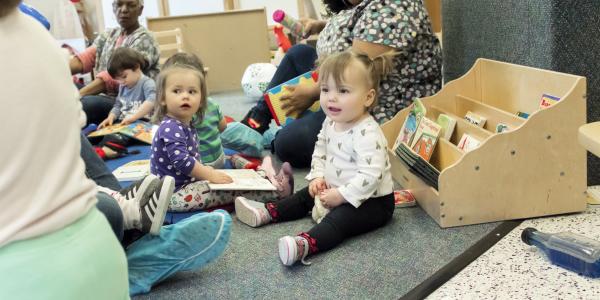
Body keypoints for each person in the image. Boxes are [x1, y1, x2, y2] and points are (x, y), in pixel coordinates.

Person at [0, 1, 127, 297]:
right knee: (110, 208)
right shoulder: (36, 31)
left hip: (23, 278)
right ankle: (127, 207)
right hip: (101, 252)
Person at [235, 50, 396, 266]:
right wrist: (318, 176)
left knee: (340, 220)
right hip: (334, 187)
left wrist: (341, 195)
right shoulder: (331, 121)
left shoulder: (367, 132)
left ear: (368, 97)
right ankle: (269, 212)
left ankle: (305, 244)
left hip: (372, 202)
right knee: (304, 196)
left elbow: (371, 176)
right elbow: (320, 150)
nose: (331, 97)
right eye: (325, 89)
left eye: (343, 90)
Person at [242, 0, 442, 167]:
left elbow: (355, 69)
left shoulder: (393, 6)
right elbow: (357, 28)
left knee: (288, 144)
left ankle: (275, 136)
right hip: (340, 84)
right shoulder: (363, 5)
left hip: (374, 105)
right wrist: (321, 25)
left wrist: (314, 90)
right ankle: (256, 121)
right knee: (298, 54)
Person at [70, 0, 160, 126]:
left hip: (130, 103)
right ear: (113, 8)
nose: (123, 9)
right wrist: (58, 69)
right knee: (64, 87)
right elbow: (85, 58)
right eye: (119, 5)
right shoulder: (109, 34)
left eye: (131, 5)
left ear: (140, 10)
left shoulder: (145, 39)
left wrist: (78, 95)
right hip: (108, 98)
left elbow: (114, 78)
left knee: (81, 104)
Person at [162, 53, 228, 168]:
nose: (185, 97)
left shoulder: (180, 113)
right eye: (177, 91)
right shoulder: (212, 103)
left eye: (190, 91)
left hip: (199, 166)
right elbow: (223, 127)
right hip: (220, 159)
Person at [95, 47, 156, 159]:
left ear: (137, 67)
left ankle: (106, 151)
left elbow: (151, 101)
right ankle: (98, 148)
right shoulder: (123, 86)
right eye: (118, 80)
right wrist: (110, 117)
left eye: (124, 77)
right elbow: (118, 104)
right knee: (96, 135)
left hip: (141, 123)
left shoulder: (147, 83)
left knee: (118, 137)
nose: (121, 82)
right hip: (124, 123)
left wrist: (134, 117)